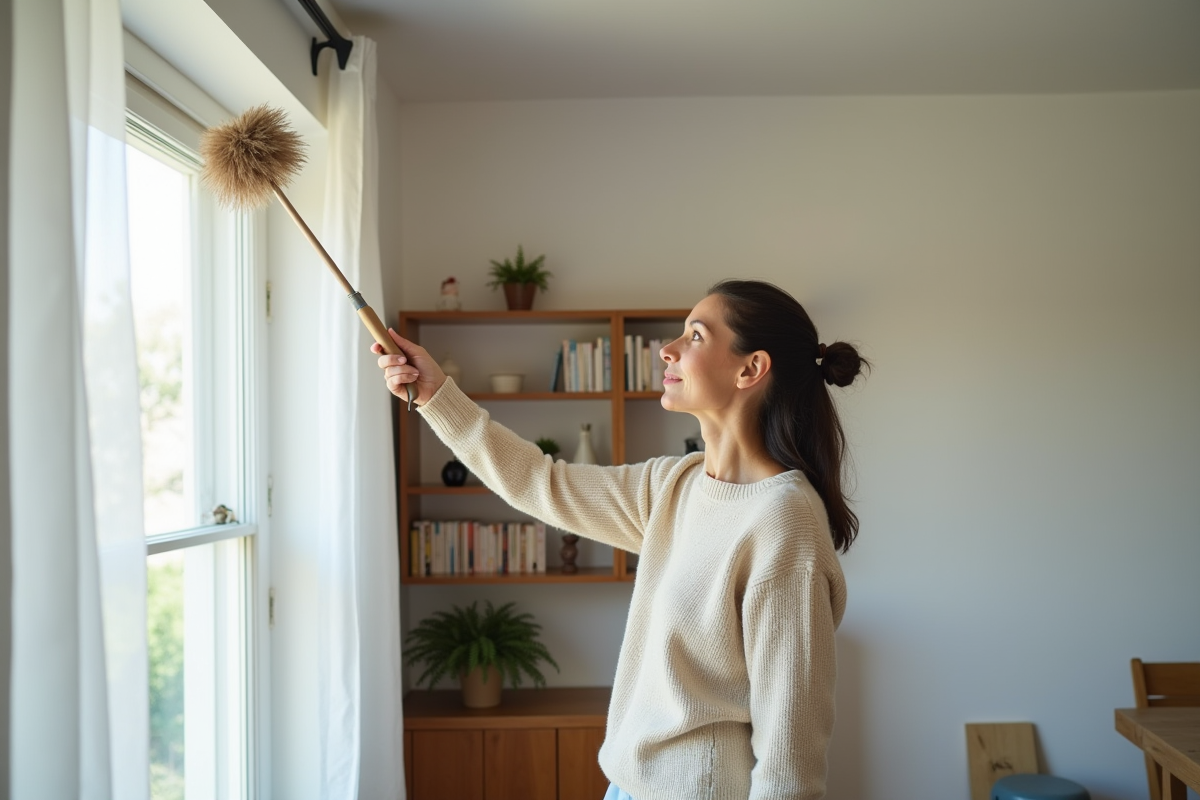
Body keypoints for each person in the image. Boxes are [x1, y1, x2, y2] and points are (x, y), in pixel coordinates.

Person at [374, 279, 869, 800]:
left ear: (751, 369)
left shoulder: (784, 522)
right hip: (626, 787)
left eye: (695, 337)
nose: (669, 349)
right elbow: (541, 483)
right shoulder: (675, 485)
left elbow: (792, 758)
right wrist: (435, 396)